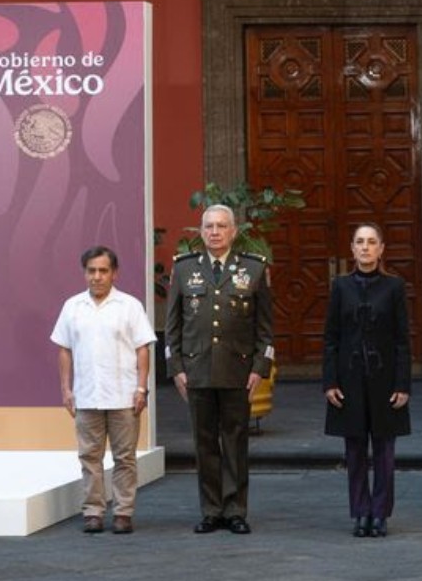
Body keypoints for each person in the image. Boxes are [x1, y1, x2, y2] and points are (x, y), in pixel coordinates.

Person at [165, 204, 274, 535]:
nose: (214, 231)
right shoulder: (184, 270)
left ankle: (236, 509)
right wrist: (176, 368)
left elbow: (265, 329)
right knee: (204, 443)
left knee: (236, 442)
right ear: (200, 232)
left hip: (237, 372)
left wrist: (260, 367)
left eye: (221, 226)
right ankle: (211, 510)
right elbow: (172, 327)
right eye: (209, 226)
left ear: (233, 232)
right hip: (196, 371)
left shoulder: (253, 270)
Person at [50, 246, 156, 534]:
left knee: (125, 458)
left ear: (114, 273)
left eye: (103, 271)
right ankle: (93, 512)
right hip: (86, 396)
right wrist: (66, 390)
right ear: (85, 273)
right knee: (90, 458)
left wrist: (141, 388)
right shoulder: (72, 306)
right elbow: (64, 350)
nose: (97, 276)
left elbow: (143, 349)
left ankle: (123, 512)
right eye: (91, 271)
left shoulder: (130, 305)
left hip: (124, 396)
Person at [323, 223, 411, 538]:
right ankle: (360, 512)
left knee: (385, 451)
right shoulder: (341, 286)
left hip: (385, 379)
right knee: (355, 449)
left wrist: (403, 384)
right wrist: (330, 381)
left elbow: (403, 340)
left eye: (371, 242)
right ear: (352, 248)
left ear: (381, 248)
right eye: (359, 241)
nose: (365, 247)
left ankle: (380, 513)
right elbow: (331, 337)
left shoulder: (394, 287)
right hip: (349, 380)